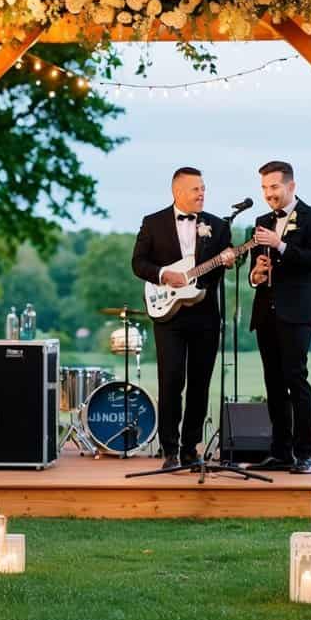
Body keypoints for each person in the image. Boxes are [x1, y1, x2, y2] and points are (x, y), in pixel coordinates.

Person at [132, 167, 234, 468]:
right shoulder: (153, 223)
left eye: (203, 188)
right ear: (178, 192)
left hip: (205, 315)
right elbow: (138, 263)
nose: (202, 193)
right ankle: (170, 450)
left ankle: (191, 448)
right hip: (168, 317)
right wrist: (165, 274)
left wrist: (225, 263)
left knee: (200, 383)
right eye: (195, 189)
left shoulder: (217, 226)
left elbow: (217, 271)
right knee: (171, 380)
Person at [248, 161, 311, 473]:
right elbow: (256, 272)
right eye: (265, 188)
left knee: (296, 378)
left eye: (274, 187)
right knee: (273, 382)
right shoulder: (261, 220)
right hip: (266, 311)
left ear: (291, 186)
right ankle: (280, 451)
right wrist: (256, 274)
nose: (269, 194)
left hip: (298, 311)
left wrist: (279, 244)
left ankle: (305, 453)